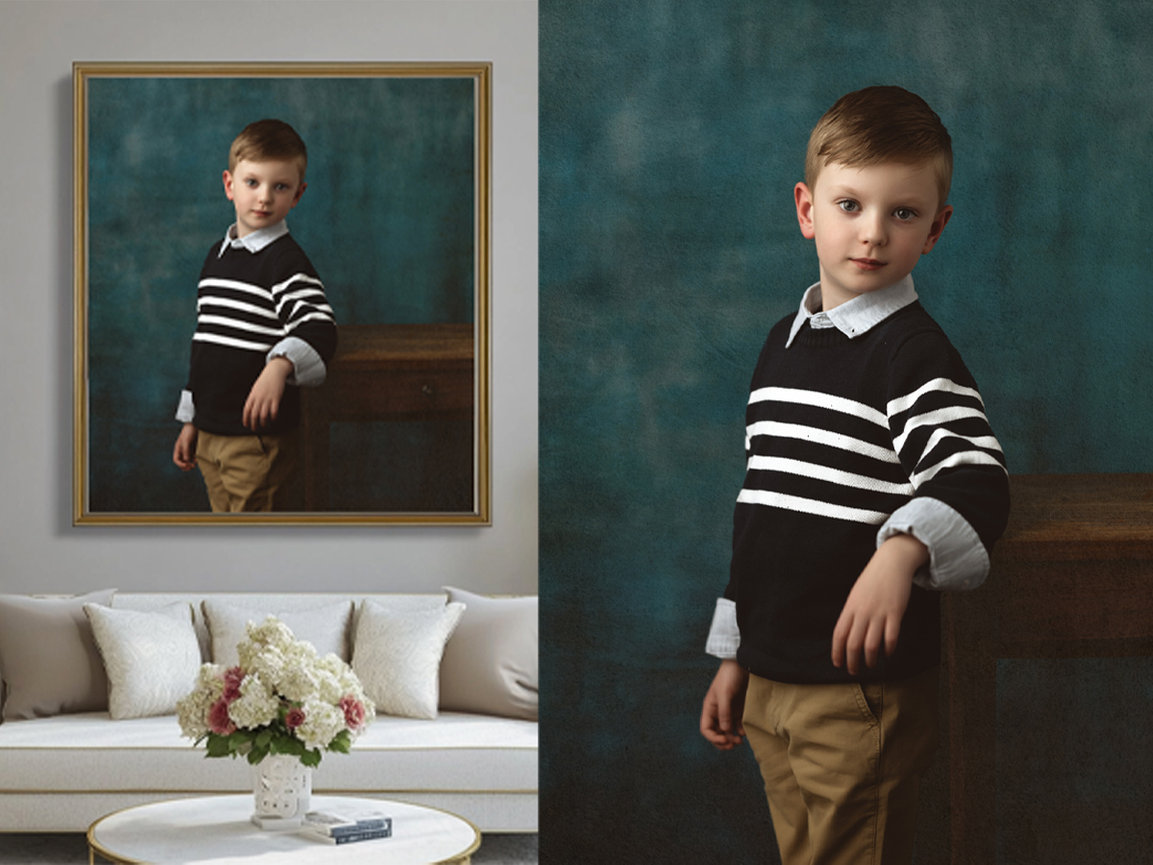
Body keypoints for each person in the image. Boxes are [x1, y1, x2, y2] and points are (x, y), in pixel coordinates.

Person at [698, 86, 1010, 864]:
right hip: (772, 679)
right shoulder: (782, 345)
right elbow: (761, 510)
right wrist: (736, 654)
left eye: (901, 213)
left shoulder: (912, 354)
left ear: (934, 229)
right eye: (849, 205)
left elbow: (974, 476)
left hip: (855, 692)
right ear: (807, 209)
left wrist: (899, 552)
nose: (871, 233)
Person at [171, 119, 336, 512]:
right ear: (229, 185)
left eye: (280, 186)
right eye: (252, 183)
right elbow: (207, 343)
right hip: (211, 434)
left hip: (256, 441)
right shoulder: (217, 257)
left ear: (298, 194)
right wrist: (192, 419)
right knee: (225, 541)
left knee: (257, 542)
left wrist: (279, 366)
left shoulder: (286, 262)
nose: (264, 198)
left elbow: (319, 326)